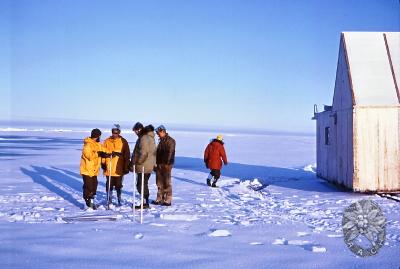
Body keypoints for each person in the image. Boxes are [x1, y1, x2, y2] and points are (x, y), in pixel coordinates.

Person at [102, 124, 130, 206]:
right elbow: (103, 153)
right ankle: (109, 199)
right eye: (113, 132)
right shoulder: (107, 141)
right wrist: (103, 163)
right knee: (109, 184)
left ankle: (119, 199)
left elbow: (127, 155)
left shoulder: (123, 141)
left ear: (119, 132)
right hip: (109, 167)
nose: (114, 134)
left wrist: (126, 166)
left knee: (118, 185)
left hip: (119, 168)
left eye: (116, 133)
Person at [130, 122, 156, 209]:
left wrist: (137, 163)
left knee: (141, 185)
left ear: (139, 130)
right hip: (148, 165)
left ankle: (145, 203)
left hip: (144, 166)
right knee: (143, 184)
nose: (135, 133)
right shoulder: (148, 137)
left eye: (136, 131)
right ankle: (145, 202)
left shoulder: (144, 138)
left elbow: (143, 153)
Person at [79, 128, 108, 209]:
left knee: (94, 186)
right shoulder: (88, 144)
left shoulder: (97, 144)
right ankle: (88, 202)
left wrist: (109, 153)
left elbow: (103, 150)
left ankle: (91, 201)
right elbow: (88, 156)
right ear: (97, 136)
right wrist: (98, 154)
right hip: (87, 170)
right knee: (88, 186)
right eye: (99, 136)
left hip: (94, 170)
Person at [154, 125, 176, 206]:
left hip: (166, 164)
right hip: (159, 164)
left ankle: (168, 199)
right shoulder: (161, 141)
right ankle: (159, 198)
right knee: (159, 182)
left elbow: (170, 152)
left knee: (166, 182)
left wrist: (167, 163)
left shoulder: (171, 141)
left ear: (163, 131)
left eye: (158, 133)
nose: (157, 134)